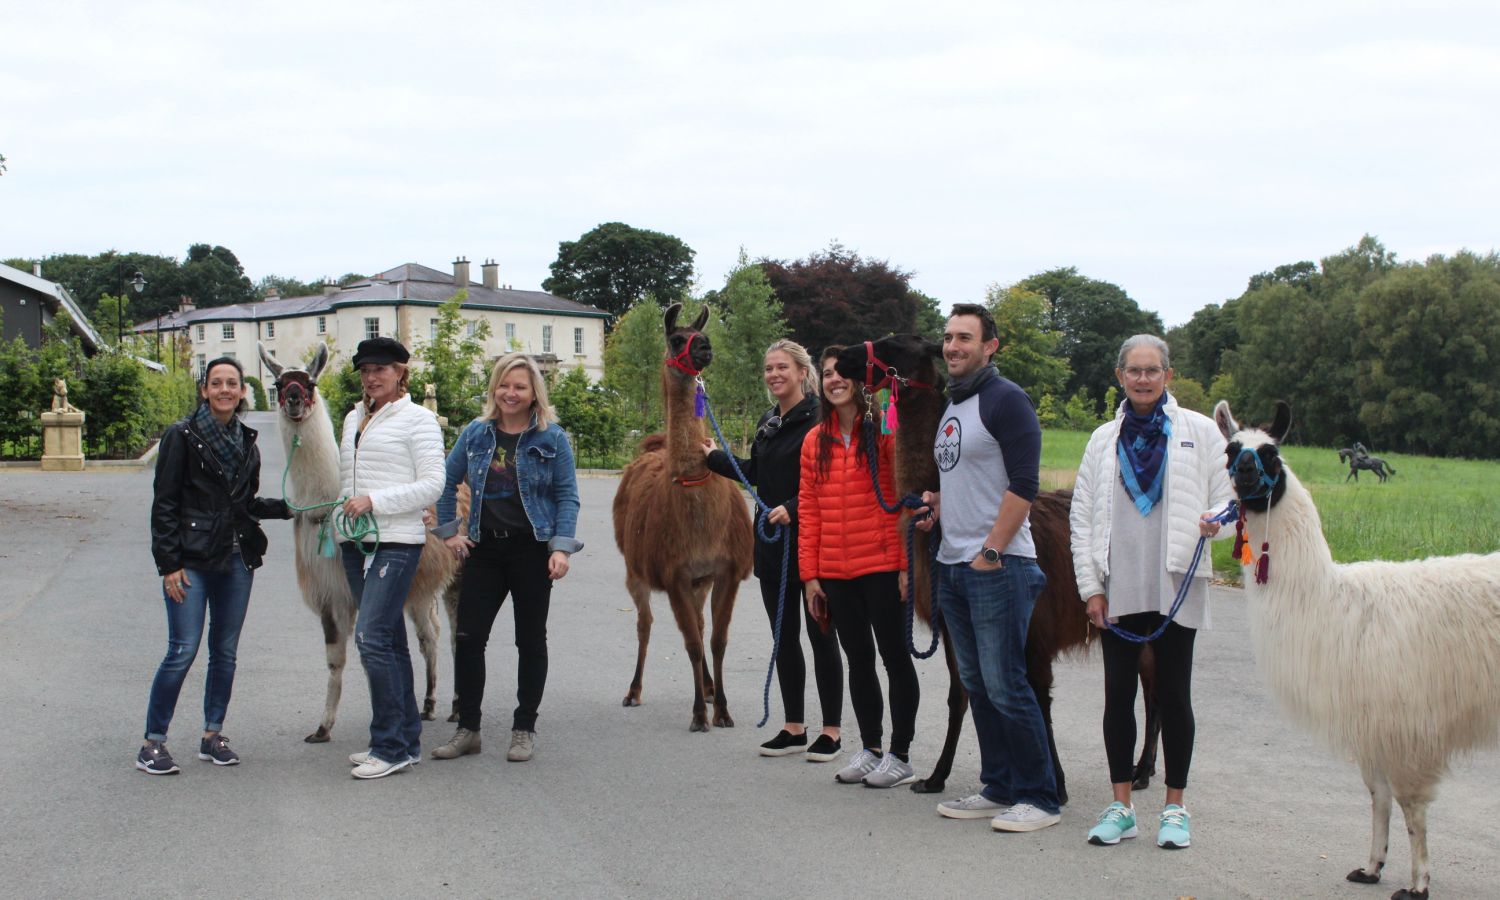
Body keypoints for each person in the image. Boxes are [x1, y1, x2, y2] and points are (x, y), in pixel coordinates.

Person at [1069, 334, 1233, 849]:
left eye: (1152, 370)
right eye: (1134, 371)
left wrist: (1216, 524)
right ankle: (1121, 805)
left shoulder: (1201, 433)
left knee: (1173, 696)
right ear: (1120, 377)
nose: (1143, 379)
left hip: (1175, 586)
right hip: (1118, 587)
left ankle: (1174, 809)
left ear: (1168, 375)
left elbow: (1231, 500)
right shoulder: (1101, 439)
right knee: (1117, 696)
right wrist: (1091, 588)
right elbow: (1081, 516)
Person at [920, 304, 1060, 831]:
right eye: (949, 337)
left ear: (990, 346)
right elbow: (964, 478)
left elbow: (1024, 484)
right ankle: (999, 786)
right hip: (954, 564)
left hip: (998, 566)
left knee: (1007, 683)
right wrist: (936, 502)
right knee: (977, 684)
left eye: (965, 338)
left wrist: (992, 550)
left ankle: (1040, 797)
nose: (953, 346)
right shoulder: (954, 405)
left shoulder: (1007, 400)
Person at [141, 356, 291, 774]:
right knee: (182, 650)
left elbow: (242, 504)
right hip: (190, 562)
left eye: (233, 383)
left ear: (242, 391)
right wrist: (169, 564)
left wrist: (287, 508)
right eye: (217, 383)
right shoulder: (181, 436)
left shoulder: (247, 441)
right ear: (205, 390)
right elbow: (165, 504)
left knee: (224, 652)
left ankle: (212, 734)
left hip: (236, 559)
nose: (225, 389)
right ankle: (153, 742)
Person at [431, 352, 583, 763]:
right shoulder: (476, 434)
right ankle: (469, 729)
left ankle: (523, 728)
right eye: (504, 385)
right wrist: (449, 534)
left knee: (530, 640)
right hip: (485, 550)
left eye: (519, 386)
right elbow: (446, 483)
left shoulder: (553, 438)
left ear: (534, 392)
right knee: (468, 638)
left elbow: (566, 496)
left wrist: (561, 548)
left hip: (533, 550)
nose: (510, 393)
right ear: (494, 389)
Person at [704, 340, 844, 761]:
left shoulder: (822, 419)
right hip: (770, 543)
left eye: (782, 367)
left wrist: (795, 509)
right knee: (783, 636)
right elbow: (756, 475)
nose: (774, 375)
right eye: (768, 368)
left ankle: (832, 731)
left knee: (821, 636)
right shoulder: (769, 422)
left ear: (803, 372)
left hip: (812, 542)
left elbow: (833, 480)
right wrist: (715, 458)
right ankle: (794, 726)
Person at [798, 346, 919, 787]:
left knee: (894, 658)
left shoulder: (886, 428)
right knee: (859, 661)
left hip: (883, 565)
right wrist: (810, 575)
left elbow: (905, 498)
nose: (834, 380)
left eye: (842, 373)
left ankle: (900, 754)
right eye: (827, 374)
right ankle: (870, 748)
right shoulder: (815, 440)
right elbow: (809, 511)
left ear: (861, 381)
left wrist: (907, 566)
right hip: (835, 571)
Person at [338, 337, 445, 779]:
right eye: (365, 369)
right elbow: (349, 478)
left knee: (370, 638)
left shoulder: (418, 420)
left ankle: (388, 745)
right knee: (390, 640)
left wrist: (374, 501)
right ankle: (404, 739)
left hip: (397, 540)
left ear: (402, 371)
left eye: (381, 368)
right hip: (355, 541)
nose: (372, 376)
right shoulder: (353, 417)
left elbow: (433, 484)